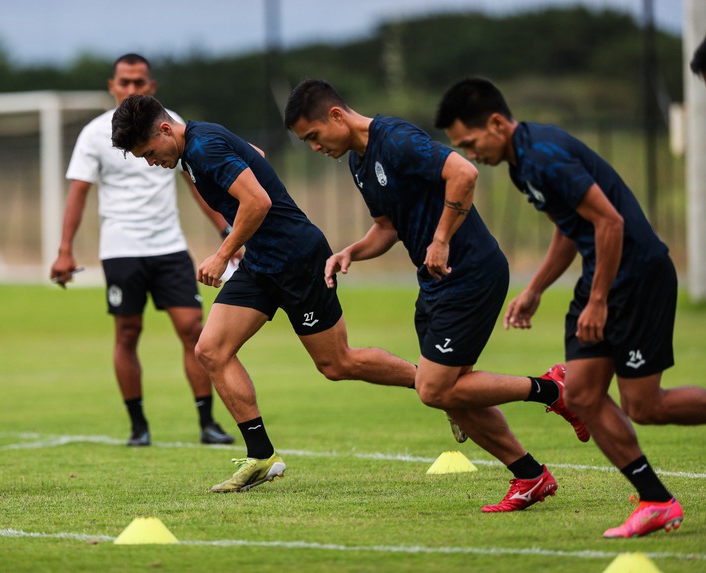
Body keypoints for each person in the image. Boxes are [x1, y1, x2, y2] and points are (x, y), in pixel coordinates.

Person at [284, 79, 588, 513]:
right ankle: (530, 476)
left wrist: (442, 237)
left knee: (433, 388)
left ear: (336, 116)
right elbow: (387, 227)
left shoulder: (397, 139)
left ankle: (551, 389)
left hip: (471, 272)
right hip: (434, 281)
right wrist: (351, 250)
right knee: (455, 392)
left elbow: (464, 172)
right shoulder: (358, 161)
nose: (314, 148)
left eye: (313, 137)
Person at [111, 94, 430, 493]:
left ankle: (434, 386)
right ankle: (261, 455)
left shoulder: (203, 147)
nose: (150, 162)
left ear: (163, 129)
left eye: (148, 152)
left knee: (336, 364)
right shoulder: (195, 145)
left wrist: (222, 253)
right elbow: (255, 154)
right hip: (262, 263)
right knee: (211, 350)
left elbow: (257, 201)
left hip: (297, 259)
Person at [435, 76, 706, 537]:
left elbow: (610, 221)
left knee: (644, 405)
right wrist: (535, 288)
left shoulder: (543, 156)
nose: (470, 154)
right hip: (603, 275)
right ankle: (657, 500)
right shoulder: (521, 162)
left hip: (636, 276)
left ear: (497, 123)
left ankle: (656, 499)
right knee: (580, 394)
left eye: (469, 142)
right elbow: (569, 227)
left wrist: (598, 299)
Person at [50, 53, 235, 447]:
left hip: (169, 246)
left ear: (151, 87)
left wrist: (225, 228)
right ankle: (138, 427)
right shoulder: (94, 134)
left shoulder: (172, 125)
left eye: (139, 83)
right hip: (121, 249)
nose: (131, 89)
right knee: (127, 332)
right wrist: (64, 250)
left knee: (193, 330)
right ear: (111, 86)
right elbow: (78, 194)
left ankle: (207, 422)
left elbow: (197, 181)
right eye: (124, 82)